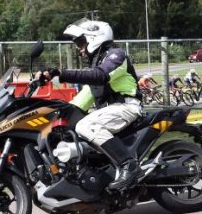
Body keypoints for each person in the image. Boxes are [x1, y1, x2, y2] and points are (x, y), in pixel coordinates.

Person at [41, 19, 142, 191]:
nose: (79, 49)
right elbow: (79, 102)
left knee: (85, 125)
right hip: (111, 112)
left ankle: (129, 166)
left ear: (95, 38)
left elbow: (100, 76)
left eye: (80, 43)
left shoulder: (116, 56)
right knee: (67, 127)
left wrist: (60, 73)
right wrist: (50, 112)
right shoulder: (97, 67)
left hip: (127, 107)